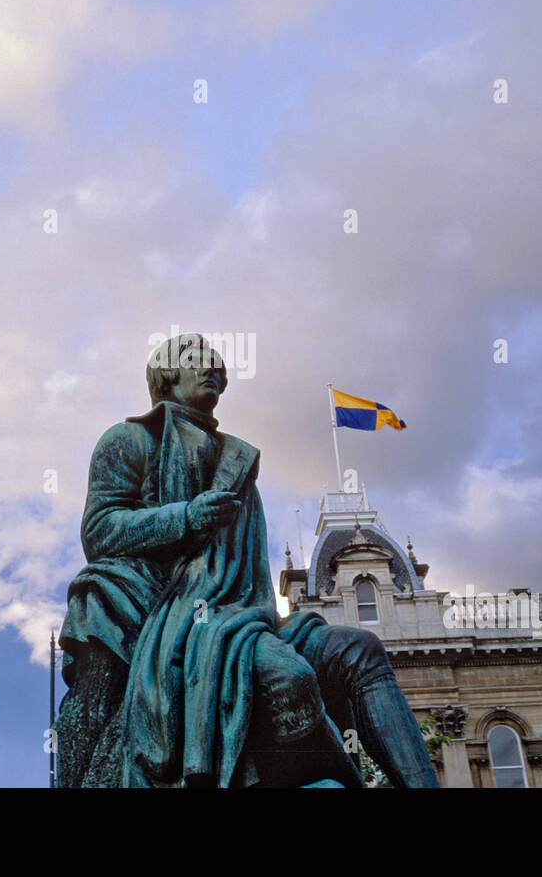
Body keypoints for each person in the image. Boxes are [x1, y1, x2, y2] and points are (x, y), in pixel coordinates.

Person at [57, 333, 438, 788]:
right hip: (181, 620)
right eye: (200, 361)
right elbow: (99, 531)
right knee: (289, 675)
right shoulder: (129, 440)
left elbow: (248, 572)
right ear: (167, 373)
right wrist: (184, 516)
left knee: (362, 651)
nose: (214, 370)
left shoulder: (237, 461)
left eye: (219, 364)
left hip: (249, 615)